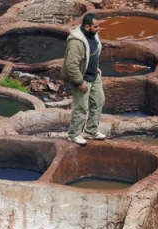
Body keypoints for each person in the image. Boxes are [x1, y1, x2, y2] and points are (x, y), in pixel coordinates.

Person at [62, 13, 106, 146]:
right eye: (96, 26)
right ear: (87, 26)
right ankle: (73, 135)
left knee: (99, 101)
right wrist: (80, 82)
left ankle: (91, 131)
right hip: (82, 78)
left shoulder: (93, 34)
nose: (98, 29)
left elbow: (93, 52)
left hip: (94, 75)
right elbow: (71, 66)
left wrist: (96, 67)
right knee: (81, 108)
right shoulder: (76, 42)